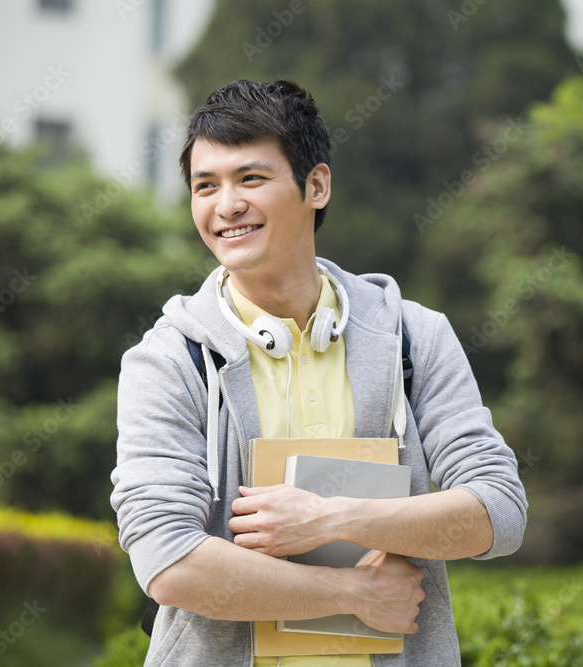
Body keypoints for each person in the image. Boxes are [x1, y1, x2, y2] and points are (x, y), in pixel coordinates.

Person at [110, 79, 527, 666]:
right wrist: (352, 594)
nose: (225, 205)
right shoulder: (169, 359)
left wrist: (329, 517)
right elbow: (168, 560)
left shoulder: (415, 337)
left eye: (250, 179)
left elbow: (499, 512)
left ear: (317, 185)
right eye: (206, 186)